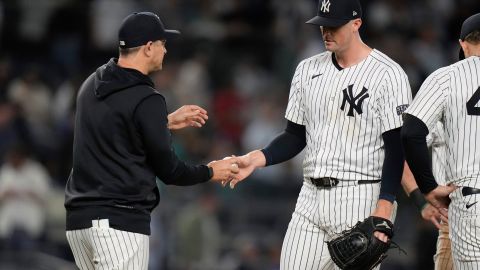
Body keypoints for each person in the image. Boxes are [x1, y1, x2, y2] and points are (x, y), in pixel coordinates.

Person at [227, 0, 412, 268]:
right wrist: (257, 158)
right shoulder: (307, 69)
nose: (326, 32)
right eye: (322, 25)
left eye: (334, 26)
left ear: (356, 24)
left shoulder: (388, 74)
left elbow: (396, 148)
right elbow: (294, 136)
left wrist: (384, 205)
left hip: (360, 196)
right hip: (310, 197)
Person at [64, 12, 239, 270]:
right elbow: (170, 171)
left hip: (79, 223)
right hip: (119, 224)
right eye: (162, 43)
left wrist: (162, 122)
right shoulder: (147, 98)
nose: (165, 50)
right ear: (148, 47)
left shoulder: (92, 83)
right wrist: (211, 171)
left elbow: (115, 128)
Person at [401, 12, 480, 269]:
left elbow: (406, 139)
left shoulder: (447, 81)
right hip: (454, 216)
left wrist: (425, 192)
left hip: (464, 205)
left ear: (462, 44)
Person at [401, 123, 453, 270]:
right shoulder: (445, 107)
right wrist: (422, 199)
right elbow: (400, 153)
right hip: (453, 217)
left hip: (454, 217)